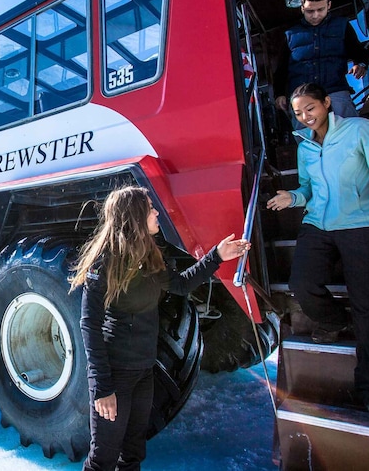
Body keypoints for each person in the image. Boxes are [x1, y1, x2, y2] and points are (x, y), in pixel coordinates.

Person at [266, 83, 369, 428]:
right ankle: (335, 320)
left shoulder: (360, 129)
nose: (306, 117)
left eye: (310, 108)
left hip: (362, 222)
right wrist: (293, 197)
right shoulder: (304, 145)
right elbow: (307, 188)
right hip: (318, 224)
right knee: (301, 284)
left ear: (326, 104)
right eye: (298, 113)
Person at [70, 186, 250, 470]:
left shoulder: (149, 256)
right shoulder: (104, 262)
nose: (156, 213)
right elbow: (89, 325)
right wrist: (103, 388)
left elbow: (180, 285)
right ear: (134, 216)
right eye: (150, 208)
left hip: (144, 371)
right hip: (115, 375)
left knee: (133, 454)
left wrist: (216, 255)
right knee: (102, 459)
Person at [274, 0, 369, 129]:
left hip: (335, 90)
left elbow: (357, 51)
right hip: (301, 97)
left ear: (329, 5)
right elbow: (281, 68)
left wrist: (361, 64)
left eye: (320, 10)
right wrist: (279, 94)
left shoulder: (342, 26)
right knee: (308, 142)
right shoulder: (290, 34)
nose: (315, 15)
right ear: (302, 8)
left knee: (351, 133)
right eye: (309, 11)